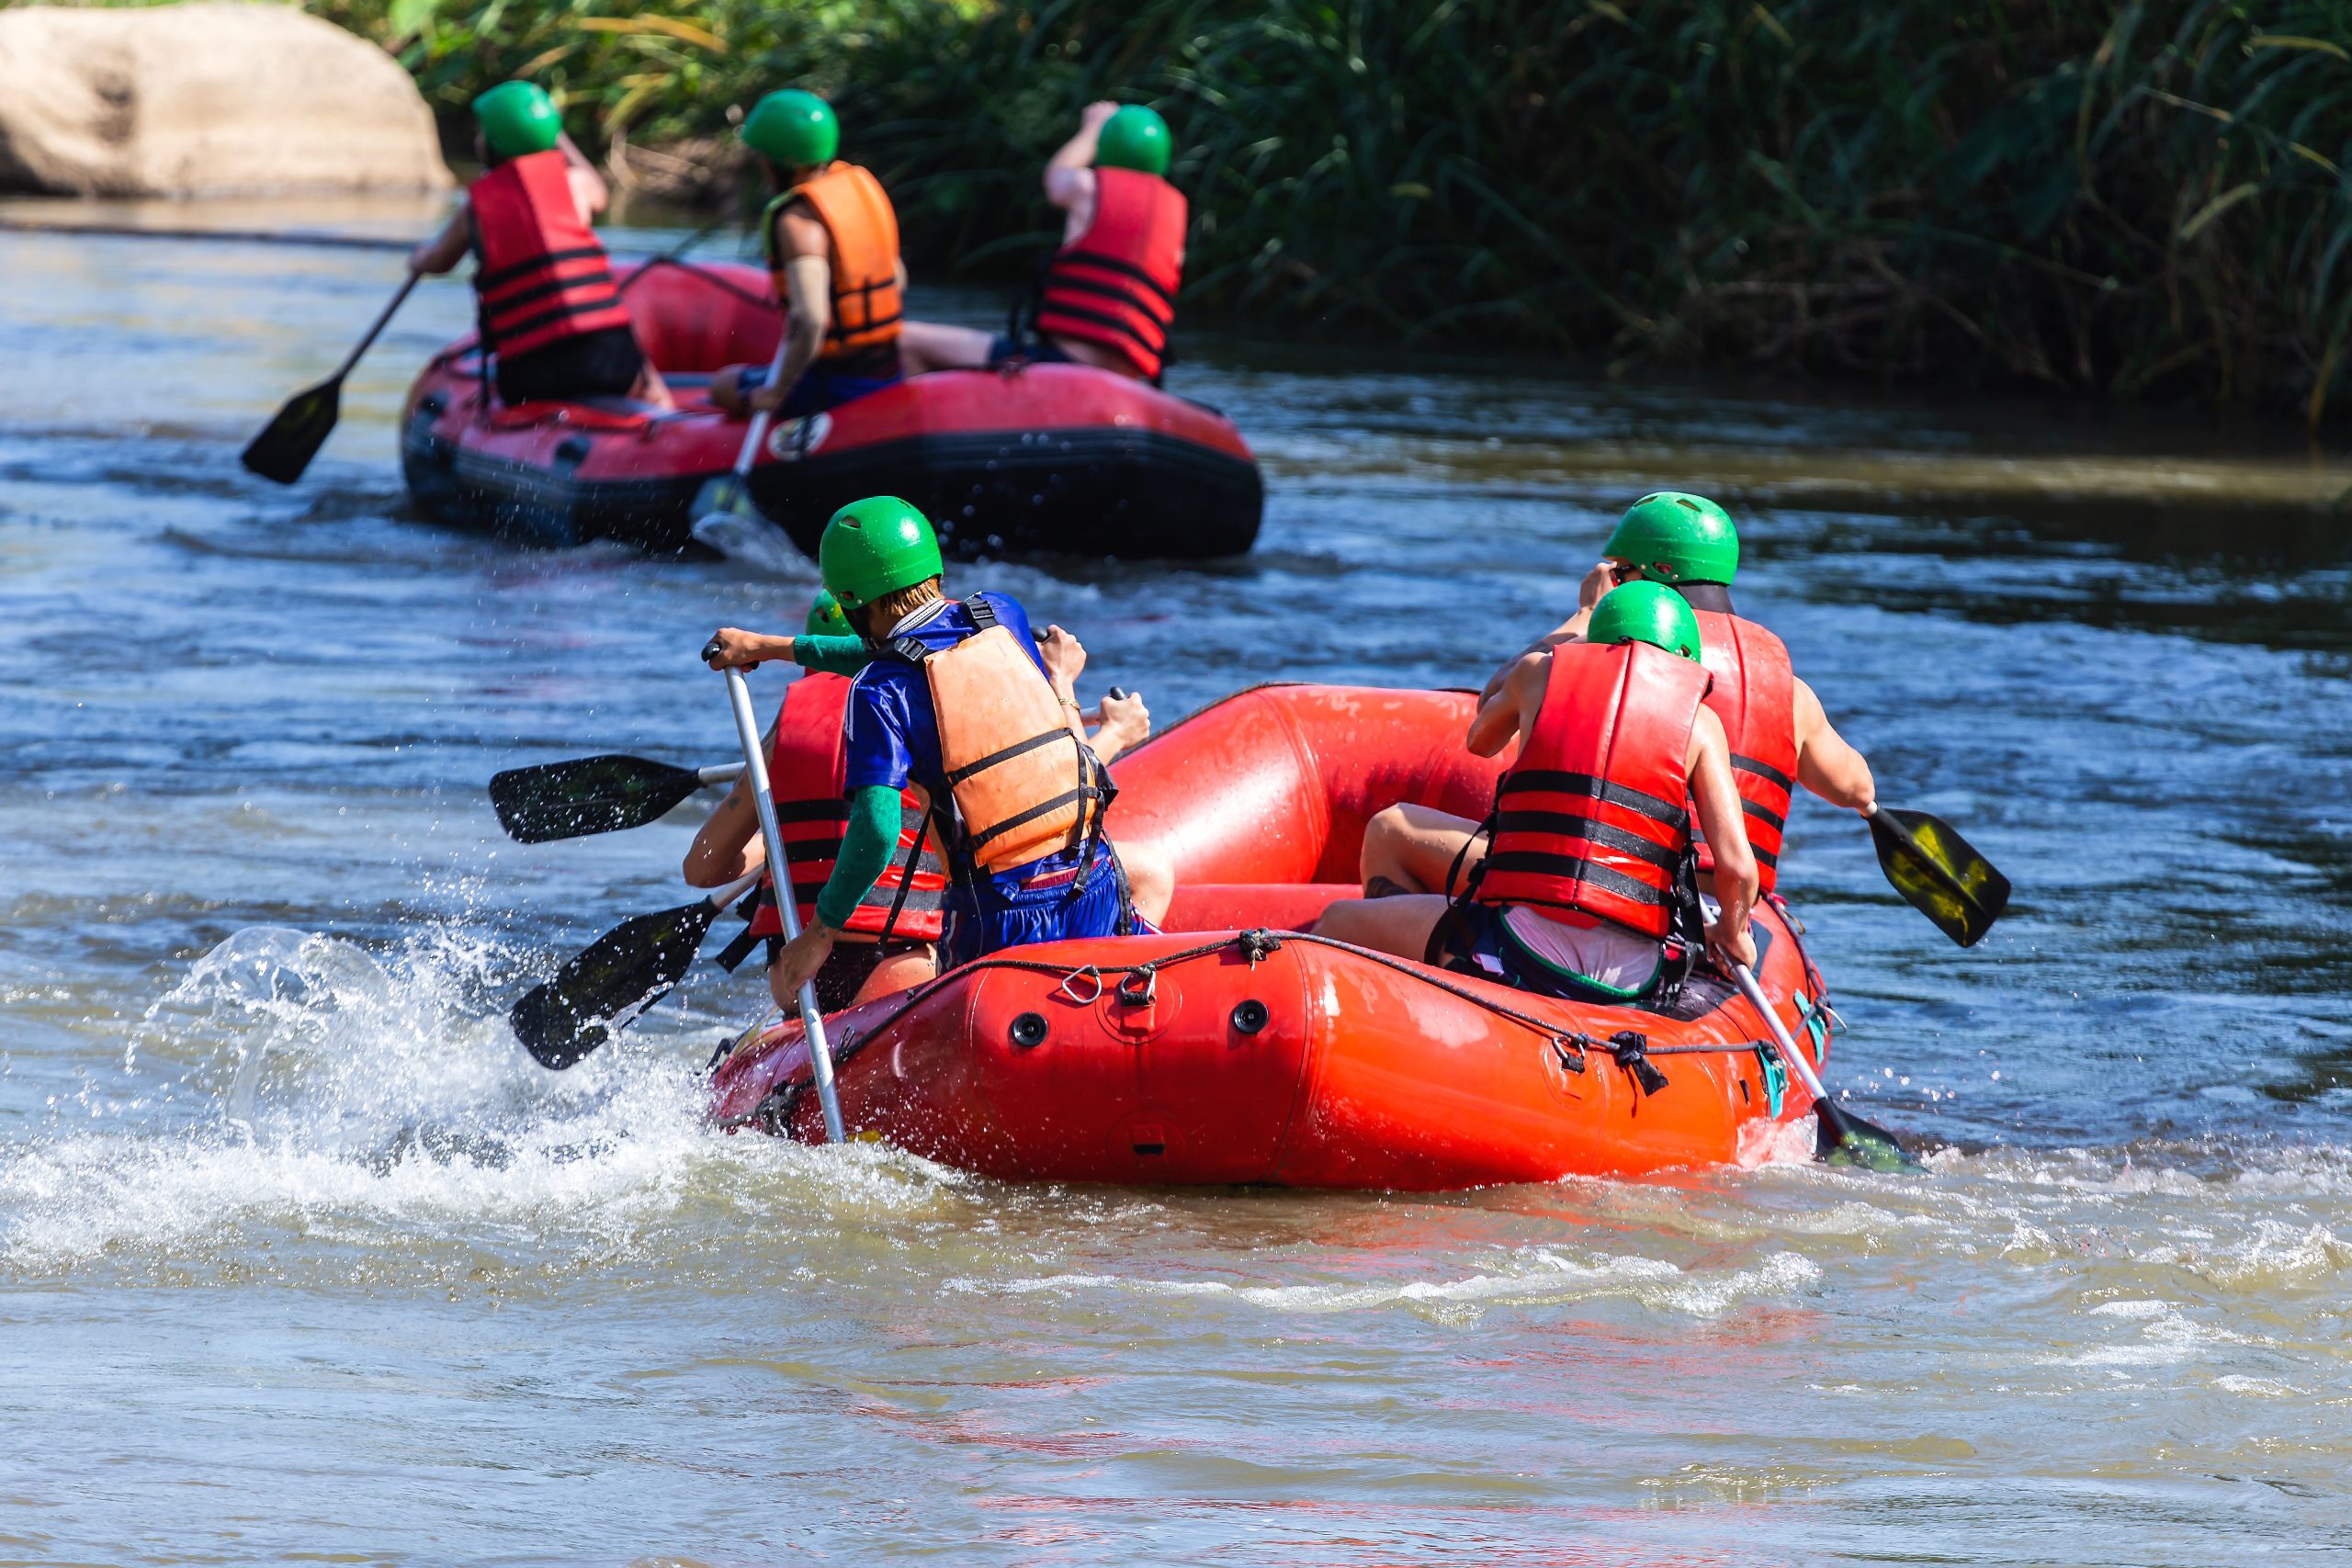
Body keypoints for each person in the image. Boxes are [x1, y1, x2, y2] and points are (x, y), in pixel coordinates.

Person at [701, 500, 1170, 1012]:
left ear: (853, 602)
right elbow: (906, 651)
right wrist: (770, 647)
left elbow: (878, 831)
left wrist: (820, 934)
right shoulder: (1001, 615)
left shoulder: (878, 693)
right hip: (1093, 880)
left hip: (1000, 919)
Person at [1365, 491, 1877, 905]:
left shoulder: (1614, 653)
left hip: (1616, 888)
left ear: (1650, 573)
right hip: (1728, 903)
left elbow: (1491, 711)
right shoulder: (1786, 687)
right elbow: (1857, 791)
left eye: (1622, 570)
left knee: (1390, 832)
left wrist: (1585, 616)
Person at [1317, 582, 1758, 1005]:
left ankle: (1408, 1010)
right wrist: (1732, 935)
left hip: (1526, 952)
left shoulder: (1539, 674)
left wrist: (1567, 630)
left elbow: (1480, 740)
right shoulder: (1701, 724)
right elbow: (1738, 869)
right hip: (1635, 974)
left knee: (1335, 921)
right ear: (1684, 657)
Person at [684, 591, 947, 1012]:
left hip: (798, 980)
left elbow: (702, 868)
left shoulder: (779, 740)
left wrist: (778, 848)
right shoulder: (932, 708)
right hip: (903, 964)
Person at [409, 81, 673, 412]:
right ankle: (666, 419)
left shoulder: (477, 207)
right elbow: (598, 191)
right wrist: (554, 133)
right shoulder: (575, 186)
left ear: (493, 143)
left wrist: (417, 260)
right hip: (604, 355)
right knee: (655, 394)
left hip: (530, 369)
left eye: (481, 133)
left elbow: (438, 261)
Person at [898, 103, 1186, 382]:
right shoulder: (1177, 213)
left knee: (904, 341)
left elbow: (1055, 178)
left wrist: (1092, 128)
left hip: (1063, 364)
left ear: (1105, 147)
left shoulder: (1088, 188)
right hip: (1128, 381)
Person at [710, 90, 906, 421]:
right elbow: (897, 279)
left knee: (722, 385)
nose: (760, 164)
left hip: (838, 383)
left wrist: (776, 391)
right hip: (886, 370)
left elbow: (811, 318)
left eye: (762, 156)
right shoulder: (856, 192)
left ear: (781, 161)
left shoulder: (798, 222)